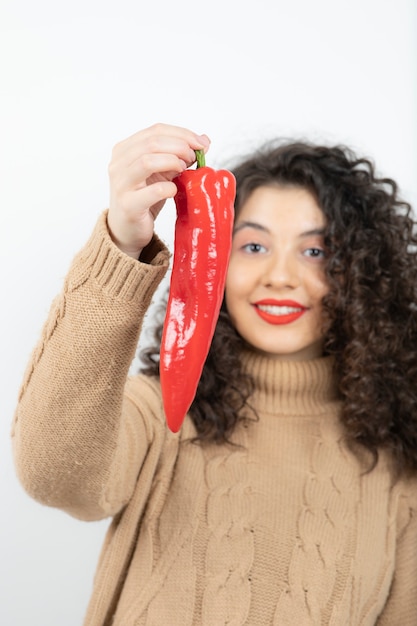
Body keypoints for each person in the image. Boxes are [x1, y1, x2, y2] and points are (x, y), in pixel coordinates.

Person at [12, 123, 417, 625]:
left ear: (364, 273)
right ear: (218, 256)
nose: (280, 276)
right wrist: (119, 246)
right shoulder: (162, 414)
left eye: (316, 251)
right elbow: (52, 476)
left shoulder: (399, 467)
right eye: (252, 246)